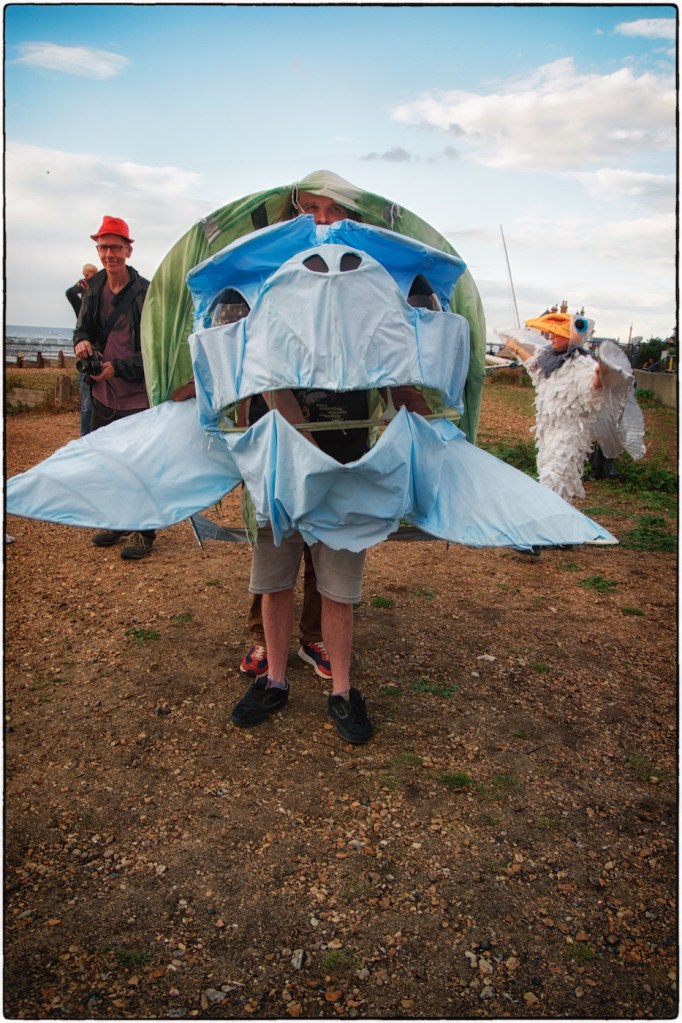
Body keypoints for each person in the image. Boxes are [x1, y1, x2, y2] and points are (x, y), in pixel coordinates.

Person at [73, 216, 155, 559]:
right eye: (104, 247)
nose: (109, 254)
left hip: (136, 396)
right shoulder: (93, 288)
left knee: (139, 466)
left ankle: (144, 531)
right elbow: (82, 330)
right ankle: (118, 521)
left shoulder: (146, 292)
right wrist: (82, 343)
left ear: (128, 251)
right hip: (103, 395)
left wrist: (116, 368)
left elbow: (154, 352)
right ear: (98, 250)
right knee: (108, 463)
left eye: (116, 248)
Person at [503, 311, 604, 503]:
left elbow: (592, 392)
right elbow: (534, 366)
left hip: (567, 437)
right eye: (552, 333)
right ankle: (553, 515)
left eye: (559, 333)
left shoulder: (583, 364)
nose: (552, 337)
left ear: (572, 337)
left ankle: (552, 515)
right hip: (547, 436)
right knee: (547, 478)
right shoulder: (551, 360)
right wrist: (515, 347)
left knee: (555, 482)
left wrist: (599, 375)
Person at [66, 263, 98, 436]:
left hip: (99, 356)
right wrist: (82, 284)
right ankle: (85, 437)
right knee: (87, 404)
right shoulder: (82, 306)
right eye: (91, 276)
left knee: (96, 404)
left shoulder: (99, 301)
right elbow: (70, 293)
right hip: (87, 358)